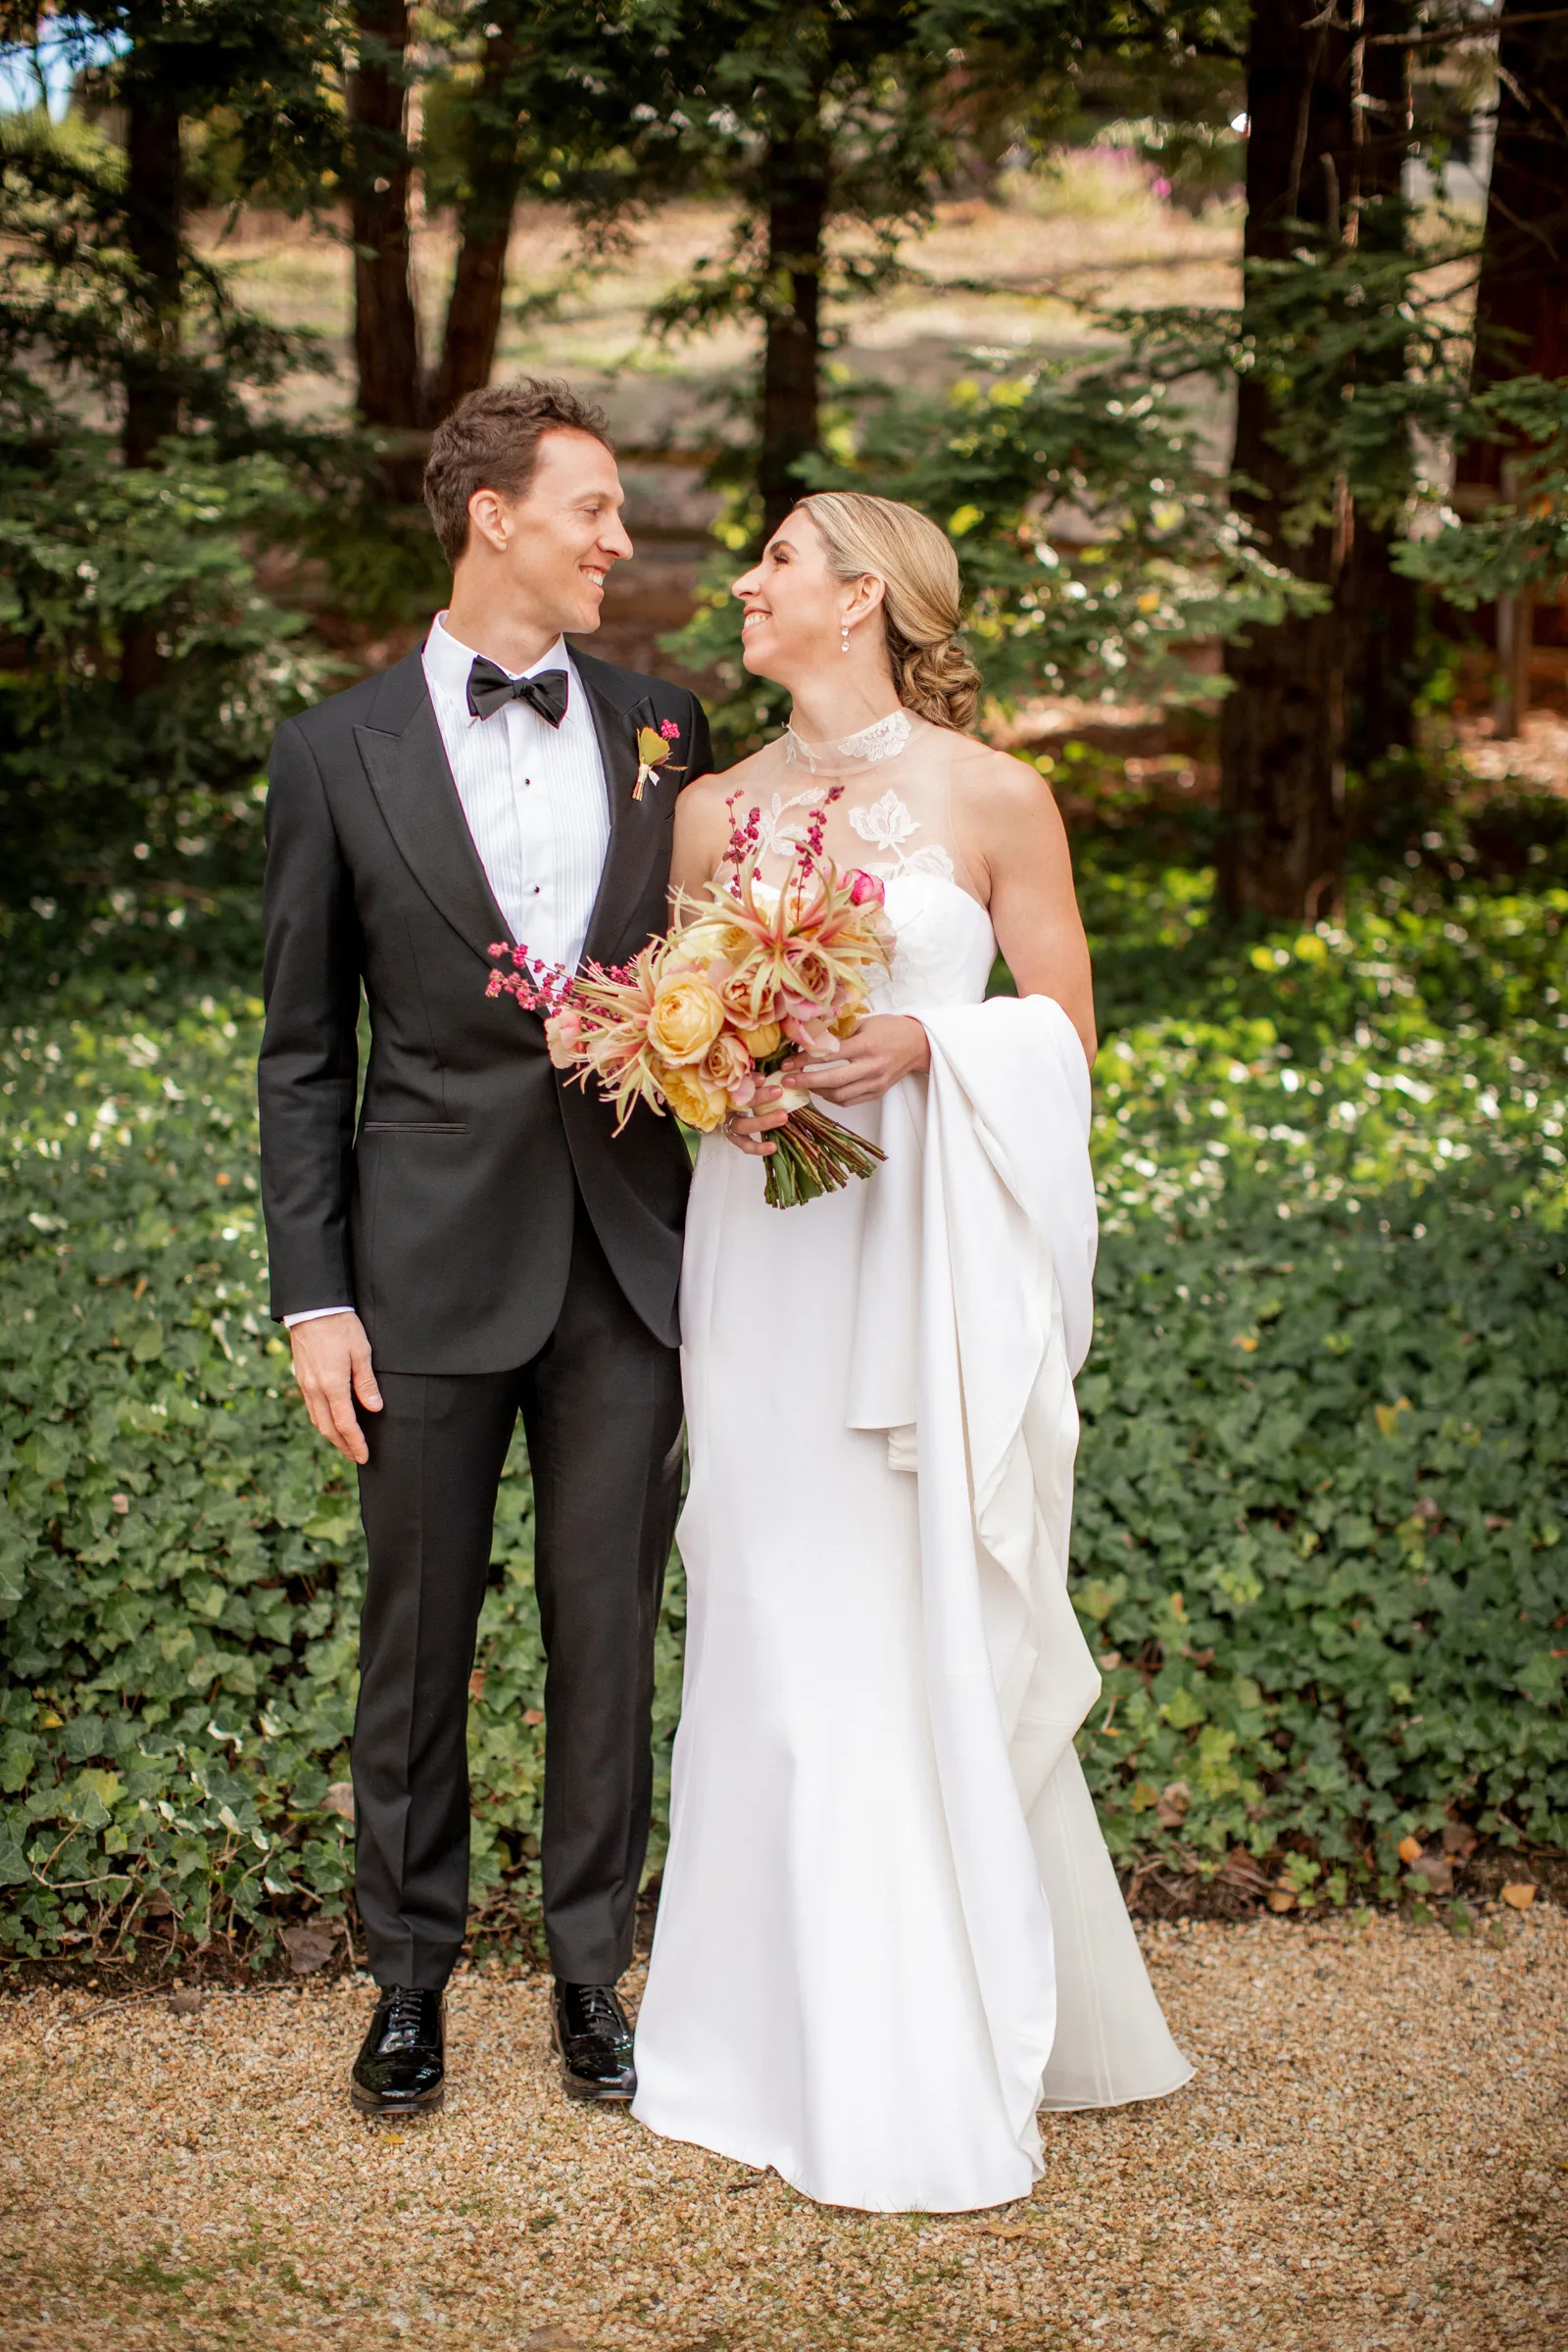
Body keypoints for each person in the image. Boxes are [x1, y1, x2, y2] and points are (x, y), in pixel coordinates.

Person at [630, 490, 1192, 2212]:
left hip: (924, 1257)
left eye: (777, 561)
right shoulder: (711, 811)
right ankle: (755, 2028)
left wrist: (927, 1047)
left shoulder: (996, 796)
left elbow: (1067, 1034)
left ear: (860, 596)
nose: (745, 583)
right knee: (773, 1597)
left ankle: (918, 2029)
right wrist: (708, 1068)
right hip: (770, 1254)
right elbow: (682, 1013)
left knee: (905, 1604)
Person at [258, 379, 710, 2117]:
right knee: (417, 1633)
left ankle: (593, 1973)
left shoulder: (667, 726)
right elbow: (302, 1052)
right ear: (492, 516)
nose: (619, 541)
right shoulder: (333, 750)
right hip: (421, 1270)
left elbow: (712, 978)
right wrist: (315, 1292)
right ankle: (407, 1979)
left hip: (625, 1261)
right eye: (592, 507)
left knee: (608, 1632)